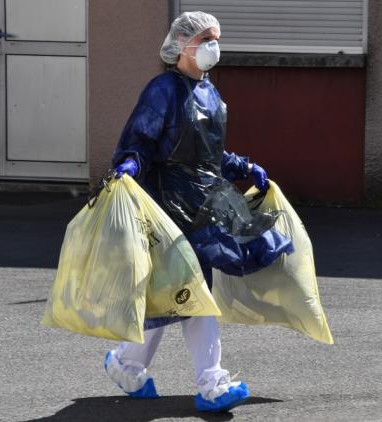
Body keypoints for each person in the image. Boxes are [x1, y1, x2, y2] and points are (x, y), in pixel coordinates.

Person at [105, 11, 292, 413]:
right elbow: (142, 139)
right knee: (193, 291)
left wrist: (242, 167)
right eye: (206, 38)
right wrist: (129, 166)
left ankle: (126, 363)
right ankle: (212, 382)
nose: (213, 46)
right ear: (182, 45)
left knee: (175, 293)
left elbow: (206, 153)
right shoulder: (163, 91)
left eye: (216, 38)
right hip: (168, 205)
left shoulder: (209, 93)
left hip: (204, 204)